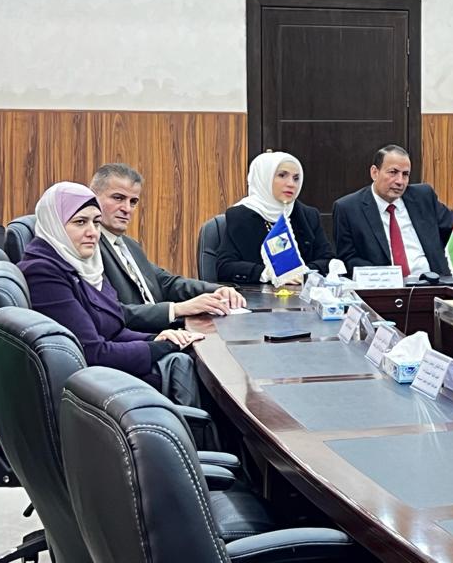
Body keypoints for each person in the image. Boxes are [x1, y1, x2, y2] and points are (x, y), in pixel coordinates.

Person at [18, 182, 203, 406]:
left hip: (111, 375)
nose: (92, 233)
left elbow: (114, 330)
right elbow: (92, 352)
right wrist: (161, 347)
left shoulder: (86, 263)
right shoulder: (43, 272)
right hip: (96, 392)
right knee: (191, 369)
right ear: (54, 224)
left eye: (96, 222)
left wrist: (158, 338)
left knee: (189, 359)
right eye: (80, 222)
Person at [90, 163, 245, 332]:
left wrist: (218, 290)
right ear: (93, 198)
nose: (127, 209)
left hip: (165, 331)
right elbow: (111, 312)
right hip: (136, 339)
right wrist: (177, 309)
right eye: (118, 198)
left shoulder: (129, 245)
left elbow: (165, 282)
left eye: (133, 202)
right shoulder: (90, 247)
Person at [332, 144, 453, 277]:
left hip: (433, 282)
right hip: (384, 285)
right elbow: (348, 259)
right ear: (374, 172)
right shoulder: (348, 208)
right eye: (393, 172)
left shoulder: (423, 197)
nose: (400, 181)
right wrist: (384, 277)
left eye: (405, 174)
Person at [218, 151, 334, 283]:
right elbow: (225, 267)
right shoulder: (240, 216)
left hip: (302, 292)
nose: (291, 184)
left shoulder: (308, 215)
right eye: (282, 175)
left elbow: (327, 259)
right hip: (255, 293)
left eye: (296, 178)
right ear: (264, 178)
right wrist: (267, 274)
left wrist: (302, 273)